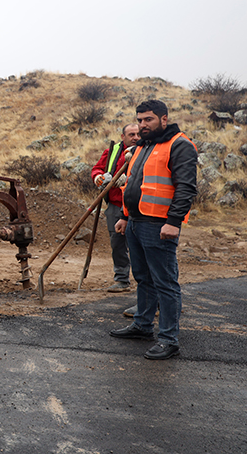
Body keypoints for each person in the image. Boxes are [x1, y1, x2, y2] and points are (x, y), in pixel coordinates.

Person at [109, 100, 198, 360]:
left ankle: (169, 340)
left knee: (165, 283)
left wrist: (173, 221)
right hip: (135, 222)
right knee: (143, 278)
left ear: (163, 119)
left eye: (148, 119)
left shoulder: (179, 145)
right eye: (139, 120)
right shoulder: (143, 146)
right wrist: (125, 216)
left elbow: (186, 187)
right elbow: (132, 184)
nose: (142, 125)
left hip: (159, 225)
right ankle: (143, 325)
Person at [91, 123, 140, 293]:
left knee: (140, 244)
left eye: (138, 134)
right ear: (123, 137)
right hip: (115, 205)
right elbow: (97, 168)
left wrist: (128, 180)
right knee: (117, 243)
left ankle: (146, 282)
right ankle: (122, 280)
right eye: (131, 135)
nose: (135, 138)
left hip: (137, 206)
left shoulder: (146, 150)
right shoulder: (112, 151)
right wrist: (99, 178)